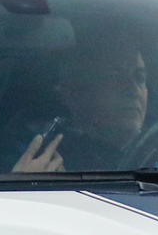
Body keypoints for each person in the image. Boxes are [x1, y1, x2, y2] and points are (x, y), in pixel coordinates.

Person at [10, 33, 149, 171]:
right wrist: (23, 184)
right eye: (114, 77)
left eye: (140, 78)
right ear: (73, 94)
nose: (134, 90)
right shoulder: (38, 158)